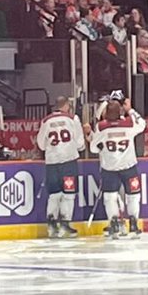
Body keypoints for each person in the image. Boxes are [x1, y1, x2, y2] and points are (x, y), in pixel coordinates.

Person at [90, 92, 147, 239]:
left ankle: (114, 223)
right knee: (133, 196)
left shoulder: (101, 127)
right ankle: (133, 223)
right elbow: (142, 124)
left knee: (110, 197)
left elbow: (93, 148)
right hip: (129, 166)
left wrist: (101, 146)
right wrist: (131, 110)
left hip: (110, 169)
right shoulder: (129, 124)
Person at [36, 96, 84, 238]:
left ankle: (51, 225)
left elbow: (41, 144)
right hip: (68, 162)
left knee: (54, 194)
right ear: (67, 105)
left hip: (52, 163)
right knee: (69, 194)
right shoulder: (72, 119)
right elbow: (80, 144)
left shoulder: (46, 121)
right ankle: (65, 224)